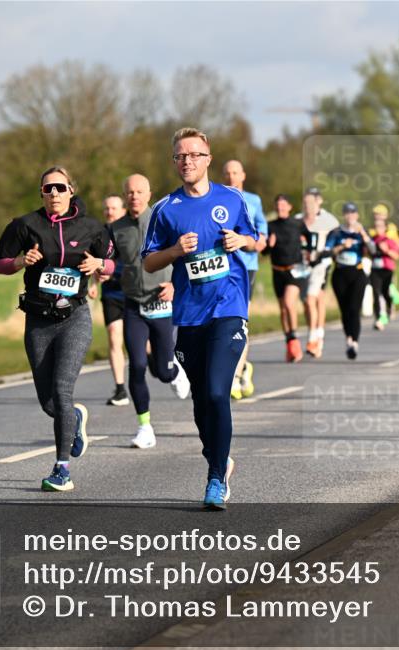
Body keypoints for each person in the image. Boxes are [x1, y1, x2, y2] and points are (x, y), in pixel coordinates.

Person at [143, 127, 258, 509]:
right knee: (200, 402)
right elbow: (148, 262)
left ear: (208, 159)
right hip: (190, 316)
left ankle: (214, 480)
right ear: (174, 162)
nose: (187, 161)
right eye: (180, 156)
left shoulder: (232, 199)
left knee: (215, 391)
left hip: (229, 307)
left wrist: (240, 241)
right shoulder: (165, 209)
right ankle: (218, 459)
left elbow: (255, 240)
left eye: (194, 155)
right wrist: (175, 250)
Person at [0, 166, 115, 491]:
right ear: (42, 194)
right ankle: (73, 418)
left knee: (62, 391)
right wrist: (20, 262)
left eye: (61, 188)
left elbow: (112, 264)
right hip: (38, 321)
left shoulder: (91, 227)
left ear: (71, 190)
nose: (55, 194)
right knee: (49, 402)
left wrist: (100, 265)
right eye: (48, 189)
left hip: (74, 317)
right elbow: (0, 263)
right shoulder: (24, 226)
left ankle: (62, 469)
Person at [111, 173, 191, 450]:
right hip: (133, 304)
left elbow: (183, 255)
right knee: (137, 365)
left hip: (162, 301)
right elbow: (109, 261)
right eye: (130, 192)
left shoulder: (164, 219)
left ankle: (174, 371)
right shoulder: (116, 228)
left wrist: (175, 286)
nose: (134, 196)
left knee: (163, 370)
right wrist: (99, 273)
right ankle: (144, 427)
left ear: (149, 194)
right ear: (125, 195)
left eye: (139, 191)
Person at [223, 160, 268, 399]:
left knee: (239, 322)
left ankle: (235, 374)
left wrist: (261, 238)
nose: (231, 177)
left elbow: (262, 224)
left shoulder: (253, 200)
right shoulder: (217, 198)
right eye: (227, 173)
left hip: (246, 266)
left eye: (235, 173)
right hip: (222, 267)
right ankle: (242, 368)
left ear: (243, 175)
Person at [324, 202, 373, 358]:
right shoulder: (336, 233)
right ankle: (348, 339)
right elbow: (326, 252)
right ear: (344, 215)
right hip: (340, 273)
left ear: (357, 215)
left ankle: (355, 343)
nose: (350, 216)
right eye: (347, 213)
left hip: (357, 273)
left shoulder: (362, 232)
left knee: (354, 308)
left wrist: (364, 235)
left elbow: (373, 250)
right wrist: (342, 247)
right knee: (345, 310)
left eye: (353, 213)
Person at [265, 194, 309, 362]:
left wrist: (308, 251)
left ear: (290, 207)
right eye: (278, 205)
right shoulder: (270, 226)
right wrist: (270, 245)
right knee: (283, 309)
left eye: (283, 205)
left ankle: (295, 340)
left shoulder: (297, 224)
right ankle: (289, 343)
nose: (280, 208)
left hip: (295, 270)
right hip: (277, 271)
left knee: (290, 304)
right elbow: (264, 252)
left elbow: (310, 240)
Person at [96, 194, 129, 406]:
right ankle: (120, 390)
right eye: (107, 208)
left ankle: (159, 361)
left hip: (135, 292)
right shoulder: (98, 233)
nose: (109, 212)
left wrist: (112, 271)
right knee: (114, 335)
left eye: (114, 208)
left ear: (123, 210)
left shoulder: (129, 231)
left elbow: (136, 263)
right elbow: (92, 260)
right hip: (111, 294)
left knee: (144, 345)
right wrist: (93, 282)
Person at [299, 187, 339, 358]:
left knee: (316, 298)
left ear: (318, 201)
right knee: (308, 302)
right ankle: (314, 331)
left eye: (313, 201)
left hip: (322, 264)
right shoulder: (298, 220)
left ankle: (316, 336)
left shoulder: (328, 219)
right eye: (306, 202)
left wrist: (327, 253)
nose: (309, 205)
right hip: (302, 265)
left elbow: (336, 239)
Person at [370, 215, 399, 330]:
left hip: (387, 270)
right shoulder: (372, 240)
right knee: (376, 293)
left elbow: (397, 256)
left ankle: (389, 307)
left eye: (380, 226)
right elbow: (367, 253)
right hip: (375, 270)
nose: (378, 228)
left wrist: (386, 250)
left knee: (385, 292)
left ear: (385, 228)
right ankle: (379, 318)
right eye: (376, 226)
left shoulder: (389, 241)